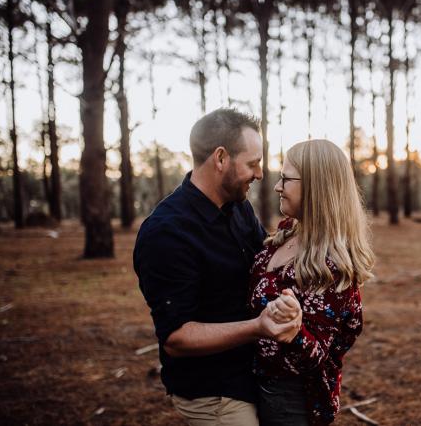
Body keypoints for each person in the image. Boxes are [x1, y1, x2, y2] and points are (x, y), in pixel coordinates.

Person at [133, 108, 302, 426]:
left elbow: (265, 263)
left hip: (254, 373)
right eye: (253, 163)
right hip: (213, 392)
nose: (261, 174)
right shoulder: (166, 233)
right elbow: (177, 338)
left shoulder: (239, 209)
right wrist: (258, 327)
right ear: (221, 158)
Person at [249, 139, 375, 426]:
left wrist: (294, 330)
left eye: (285, 179)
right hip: (252, 381)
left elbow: (317, 358)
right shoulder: (287, 233)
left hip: (290, 399)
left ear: (316, 186)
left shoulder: (331, 266)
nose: (277, 186)